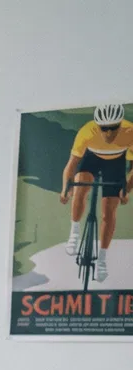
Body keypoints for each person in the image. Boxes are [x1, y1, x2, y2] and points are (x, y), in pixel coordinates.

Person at [63, 103, 130, 282]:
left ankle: (102, 259)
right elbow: (72, 164)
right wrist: (65, 188)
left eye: (113, 128)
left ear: (121, 124)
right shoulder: (87, 131)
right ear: (98, 126)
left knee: (109, 212)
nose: (108, 133)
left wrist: (126, 190)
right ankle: (74, 232)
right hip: (92, 159)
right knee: (79, 187)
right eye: (104, 128)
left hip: (116, 164)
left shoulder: (130, 131)